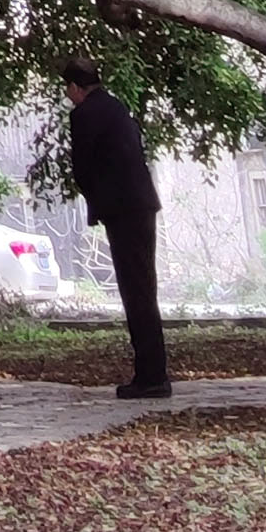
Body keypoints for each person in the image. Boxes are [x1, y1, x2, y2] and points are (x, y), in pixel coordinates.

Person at [59, 57, 169, 400]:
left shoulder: (84, 115)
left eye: (68, 89)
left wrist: (97, 199)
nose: (68, 96)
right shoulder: (117, 107)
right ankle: (152, 370)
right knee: (143, 287)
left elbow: (83, 168)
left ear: (76, 88)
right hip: (141, 205)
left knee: (135, 291)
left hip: (121, 209)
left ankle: (151, 376)